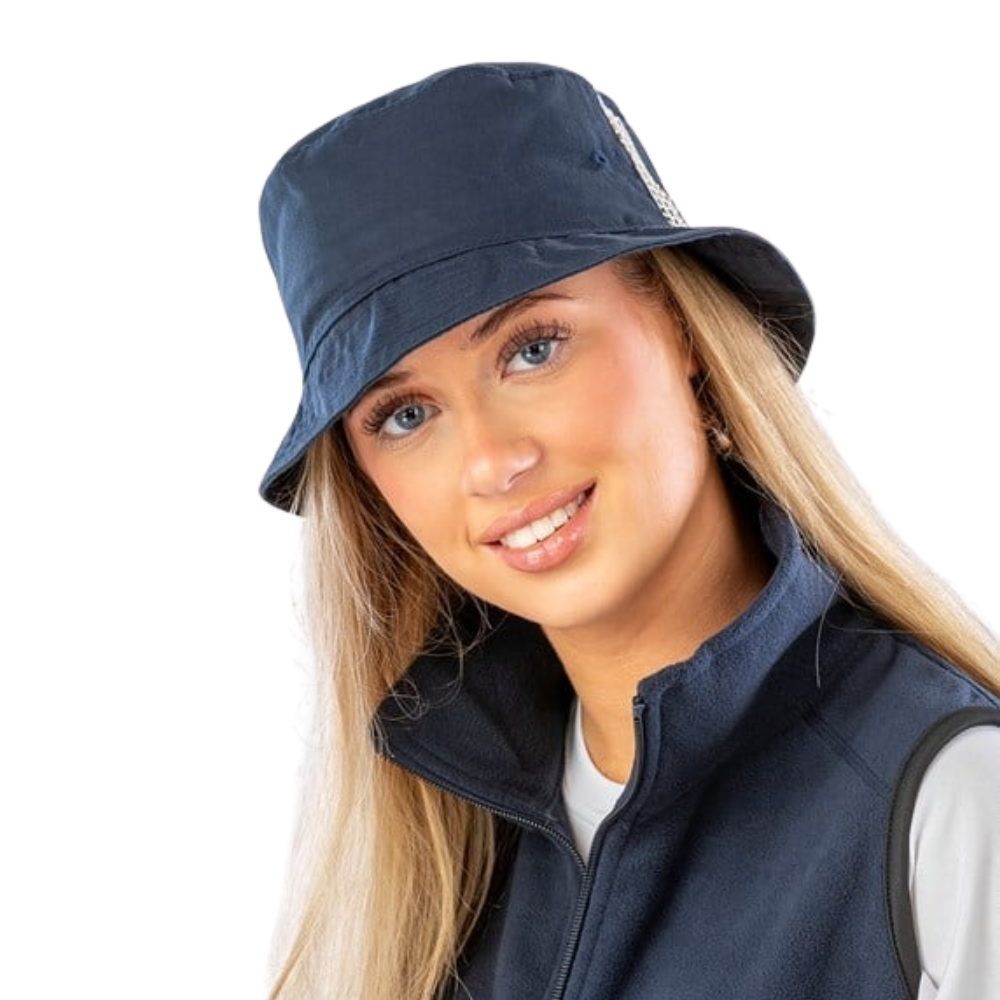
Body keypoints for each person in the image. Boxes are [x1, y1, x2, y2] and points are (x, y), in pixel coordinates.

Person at [256, 64, 1000, 1000]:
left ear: (683, 328)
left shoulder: (953, 798)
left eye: (533, 348)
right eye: (405, 415)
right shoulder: (426, 868)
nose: (491, 461)